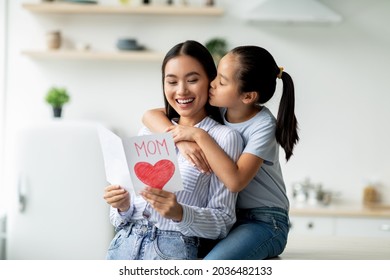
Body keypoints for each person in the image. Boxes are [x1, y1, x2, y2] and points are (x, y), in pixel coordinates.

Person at [142, 45, 299, 259]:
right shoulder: (222, 106)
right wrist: (181, 141)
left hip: (264, 221)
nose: (212, 84)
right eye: (216, 76)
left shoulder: (263, 125)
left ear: (247, 96)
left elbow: (235, 181)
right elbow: (150, 115)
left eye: (222, 81)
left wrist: (198, 136)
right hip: (230, 217)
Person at [103, 40, 243, 260]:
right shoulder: (149, 130)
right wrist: (122, 205)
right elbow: (120, 216)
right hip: (123, 246)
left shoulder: (224, 138)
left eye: (193, 80)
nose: (181, 90)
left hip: (171, 251)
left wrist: (180, 213)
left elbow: (223, 221)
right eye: (171, 81)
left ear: (211, 82)